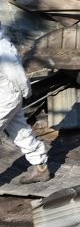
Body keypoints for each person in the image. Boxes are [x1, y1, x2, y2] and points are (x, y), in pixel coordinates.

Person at [0, 26, 50, 185]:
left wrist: (25, 92)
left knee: (19, 130)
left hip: (7, 96)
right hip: (5, 95)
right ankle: (41, 168)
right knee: (20, 131)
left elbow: (18, 76)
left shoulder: (3, 48)